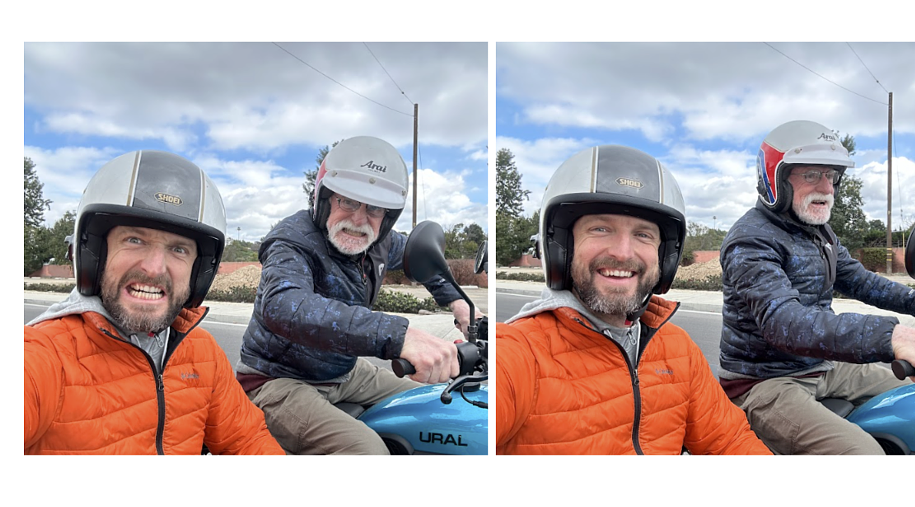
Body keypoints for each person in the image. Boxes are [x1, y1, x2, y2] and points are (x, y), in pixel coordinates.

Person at [496, 144, 771, 455]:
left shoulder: (678, 350)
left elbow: (731, 442)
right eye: (600, 228)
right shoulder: (520, 352)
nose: (623, 252)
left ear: (664, 259)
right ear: (561, 247)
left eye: (643, 235)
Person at [719, 120, 915, 455]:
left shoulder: (820, 234)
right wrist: (893, 336)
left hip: (821, 365)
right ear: (775, 179)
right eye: (811, 175)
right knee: (863, 456)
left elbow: (862, 281)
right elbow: (784, 322)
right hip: (765, 381)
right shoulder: (750, 240)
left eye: (832, 176)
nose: (827, 187)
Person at [24, 150, 283, 455]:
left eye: (179, 249)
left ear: (198, 273)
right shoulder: (44, 355)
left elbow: (248, 441)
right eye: (135, 239)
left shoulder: (202, 353)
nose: (155, 268)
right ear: (95, 253)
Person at [237, 135, 481, 455]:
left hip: (343, 372)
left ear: (387, 216)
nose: (359, 219)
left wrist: (460, 306)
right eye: (348, 201)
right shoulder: (292, 239)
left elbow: (422, 261)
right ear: (324, 199)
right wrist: (399, 336)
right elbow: (285, 305)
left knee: (439, 402)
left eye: (375, 208)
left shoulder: (380, 241)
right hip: (278, 380)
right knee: (368, 452)